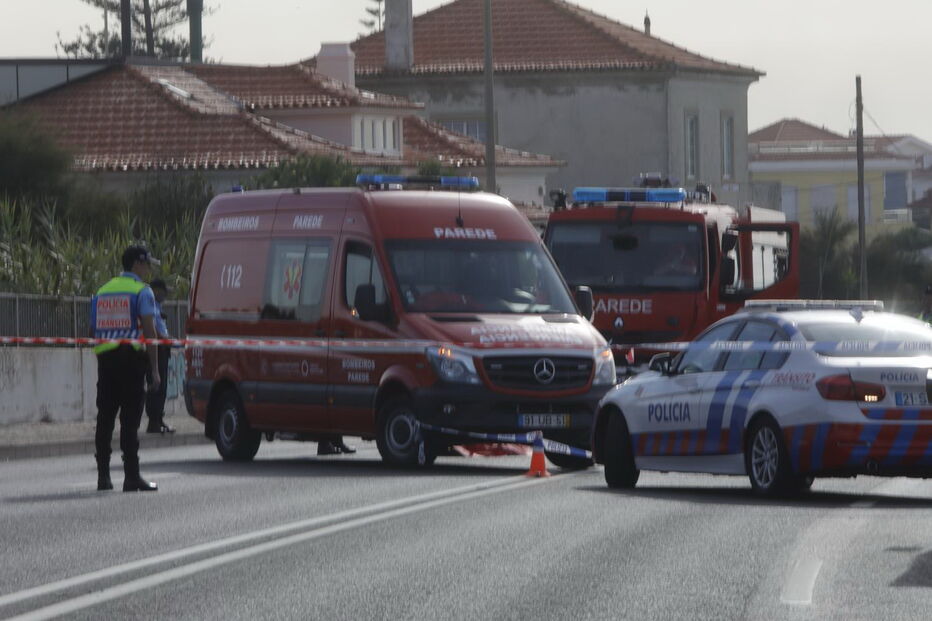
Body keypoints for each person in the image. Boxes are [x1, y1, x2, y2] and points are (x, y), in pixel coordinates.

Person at [91, 246, 160, 492]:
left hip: (106, 362)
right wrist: (154, 370)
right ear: (137, 264)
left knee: (105, 419)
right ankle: (131, 476)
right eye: (147, 264)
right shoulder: (143, 291)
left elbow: (92, 330)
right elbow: (150, 332)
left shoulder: (101, 291)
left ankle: (103, 477)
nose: (149, 269)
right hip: (131, 362)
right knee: (130, 422)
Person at [145, 278, 176, 434]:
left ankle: (158, 419)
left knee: (162, 387)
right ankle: (153, 421)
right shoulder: (151, 305)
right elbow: (151, 329)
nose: (165, 295)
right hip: (156, 349)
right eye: (163, 291)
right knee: (156, 386)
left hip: (163, 349)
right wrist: (164, 339)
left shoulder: (158, 306)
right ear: (156, 290)